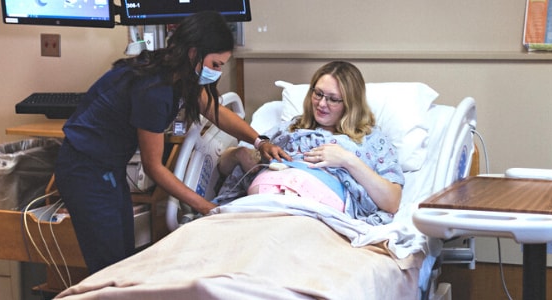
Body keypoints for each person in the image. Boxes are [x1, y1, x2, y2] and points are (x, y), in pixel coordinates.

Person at [53, 11, 287, 274]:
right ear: (193, 53)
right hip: (85, 169)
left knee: (123, 258)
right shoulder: (154, 89)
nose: (218, 73)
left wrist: (259, 141)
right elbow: (154, 167)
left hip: (107, 167)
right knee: (109, 266)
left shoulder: (176, 73)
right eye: (216, 64)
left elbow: (216, 111)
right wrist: (206, 207)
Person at [214, 61, 404, 225]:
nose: (321, 104)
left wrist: (347, 160)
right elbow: (224, 166)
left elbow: (392, 201)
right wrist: (239, 154)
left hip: (315, 211)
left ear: (350, 104)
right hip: (260, 201)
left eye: (333, 99)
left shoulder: (370, 139)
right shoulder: (289, 128)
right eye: (318, 94)